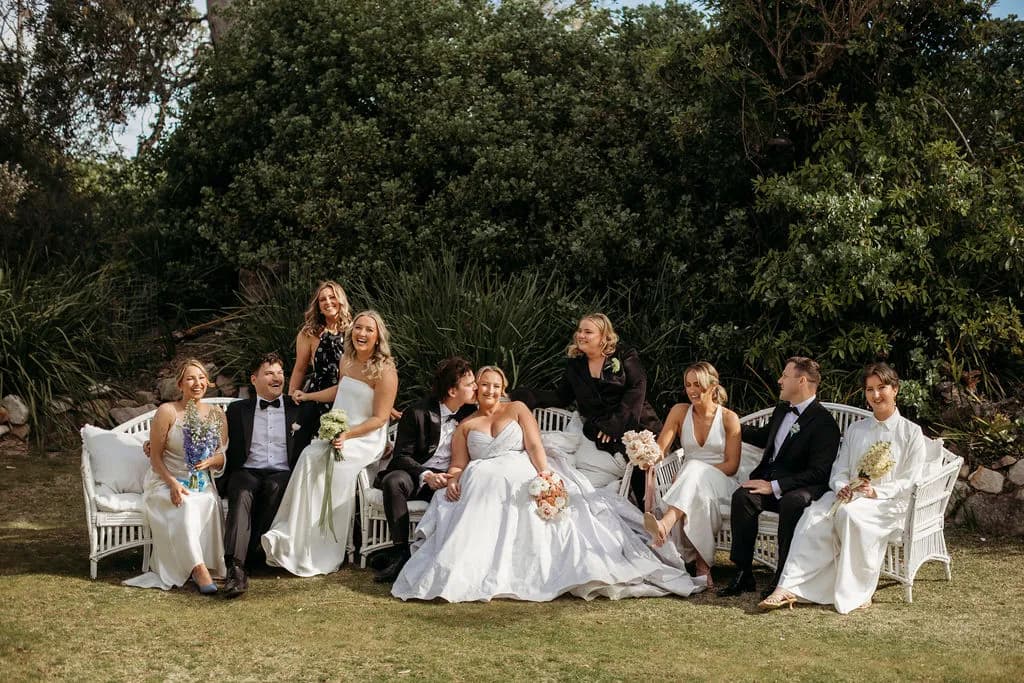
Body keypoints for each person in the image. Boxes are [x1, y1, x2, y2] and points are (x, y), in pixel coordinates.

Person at [392, 366, 704, 603]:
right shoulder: (466, 424)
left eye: (495, 385)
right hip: (481, 481)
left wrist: (545, 474)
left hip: (518, 470)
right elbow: (458, 463)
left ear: (503, 388)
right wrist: (455, 478)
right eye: (484, 385)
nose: (489, 389)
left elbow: (534, 446)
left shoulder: (516, 409)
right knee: (476, 488)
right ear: (477, 391)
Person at [760, 362, 927, 613]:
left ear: (895, 389)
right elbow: (839, 469)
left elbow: (910, 479)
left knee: (849, 516)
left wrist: (877, 492)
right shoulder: (856, 429)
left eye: (882, 388)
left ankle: (857, 591)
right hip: (850, 496)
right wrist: (840, 486)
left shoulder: (911, 433)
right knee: (813, 516)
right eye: (870, 390)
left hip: (887, 503)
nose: (876, 395)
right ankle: (789, 586)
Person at [262, 310, 398, 576]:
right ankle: (293, 537)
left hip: (364, 437)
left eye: (369, 330)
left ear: (378, 336)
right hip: (339, 432)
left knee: (332, 467)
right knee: (309, 456)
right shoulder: (346, 360)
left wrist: (347, 435)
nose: (361, 333)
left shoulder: (385, 371)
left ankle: (324, 546)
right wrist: (308, 395)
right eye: (358, 328)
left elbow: (380, 419)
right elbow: (340, 391)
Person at [717, 356, 841, 599]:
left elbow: (819, 472)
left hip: (803, 488)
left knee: (792, 502)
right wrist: (727, 420)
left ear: (802, 380)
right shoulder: (782, 409)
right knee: (743, 497)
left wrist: (774, 486)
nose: (779, 380)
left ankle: (782, 576)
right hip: (771, 484)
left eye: (785, 375)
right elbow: (764, 438)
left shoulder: (825, 423)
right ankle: (743, 572)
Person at [510, 313, 661, 506]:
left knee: (640, 465)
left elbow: (637, 387)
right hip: (599, 433)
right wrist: (520, 395)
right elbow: (561, 397)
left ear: (603, 337)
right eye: (580, 330)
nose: (581, 335)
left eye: (588, 332)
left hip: (636, 423)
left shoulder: (624, 356)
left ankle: (647, 515)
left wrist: (614, 425)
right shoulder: (576, 365)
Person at [123, 359, 227, 593]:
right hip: (164, 480)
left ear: (208, 383)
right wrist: (172, 484)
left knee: (209, 501)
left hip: (200, 481)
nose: (197, 383)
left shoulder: (217, 414)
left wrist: (210, 461)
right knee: (186, 506)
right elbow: (156, 458)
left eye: (201, 378)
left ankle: (209, 565)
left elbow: (222, 455)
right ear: (180, 384)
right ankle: (198, 570)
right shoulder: (167, 411)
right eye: (190, 378)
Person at [371, 357, 477, 583]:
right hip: (415, 475)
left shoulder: (472, 413)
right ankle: (399, 554)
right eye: (469, 384)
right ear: (452, 390)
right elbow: (401, 456)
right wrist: (427, 475)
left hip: (451, 478)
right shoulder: (417, 412)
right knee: (393, 481)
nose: (475, 388)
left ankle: (448, 559)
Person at [642, 362, 742, 588]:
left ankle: (665, 523)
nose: (692, 390)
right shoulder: (679, 411)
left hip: (723, 483)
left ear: (713, 386)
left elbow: (732, 465)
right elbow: (661, 449)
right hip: (691, 487)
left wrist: (696, 474)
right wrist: (645, 454)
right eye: (688, 385)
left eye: (698, 384)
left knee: (694, 468)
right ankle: (702, 566)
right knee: (698, 491)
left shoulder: (729, 418)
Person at [218, 352, 302, 598]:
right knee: (242, 490)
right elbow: (216, 437)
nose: (276, 378)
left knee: (275, 487)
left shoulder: (299, 409)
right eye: (269, 373)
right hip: (247, 470)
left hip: (282, 472)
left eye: (280, 373)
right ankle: (236, 567)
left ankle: (250, 554)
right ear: (254, 380)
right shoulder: (236, 410)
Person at [289, 280, 352, 454]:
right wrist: (291, 395)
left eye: (332, 297)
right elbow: (300, 368)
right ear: (318, 305)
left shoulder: (353, 332)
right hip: (314, 395)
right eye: (322, 299)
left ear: (341, 300)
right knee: (301, 444)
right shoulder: (308, 333)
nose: (328, 302)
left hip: (344, 395)